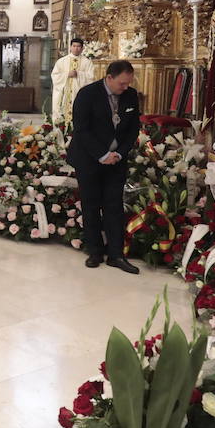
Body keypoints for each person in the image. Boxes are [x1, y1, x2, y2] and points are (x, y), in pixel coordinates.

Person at [68, 60, 141, 275]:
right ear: (109, 77)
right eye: (121, 83)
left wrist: (119, 153)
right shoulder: (87, 94)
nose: (125, 87)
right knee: (90, 204)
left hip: (116, 160)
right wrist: (101, 154)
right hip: (89, 158)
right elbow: (81, 129)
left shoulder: (130, 95)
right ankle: (95, 251)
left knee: (114, 205)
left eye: (128, 83)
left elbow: (133, 129)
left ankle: (116, 254)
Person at [51, 37, 97, 124]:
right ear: (70, 47)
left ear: (82, 48)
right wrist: (67, 74)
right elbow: (54, 75)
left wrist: (79, 74)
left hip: (78, 94)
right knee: (62, 118)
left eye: (79, 46)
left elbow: (91, 78)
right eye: (74, 46)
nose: (76, 48)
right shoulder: (61, 61)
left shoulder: (87, 62)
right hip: (64, 94)